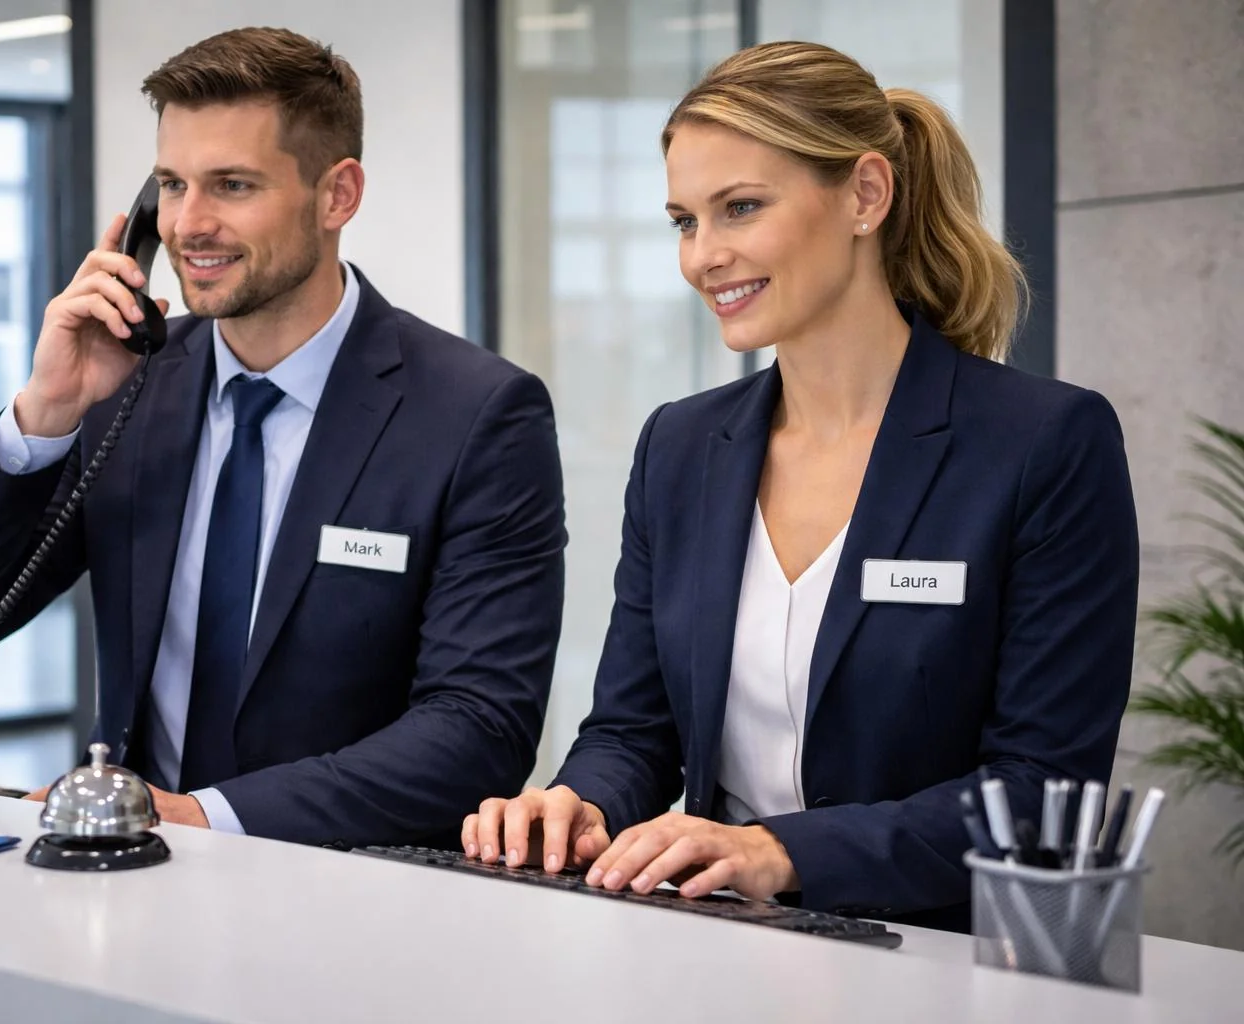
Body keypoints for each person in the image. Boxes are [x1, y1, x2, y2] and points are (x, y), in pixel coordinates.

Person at [464, 41, 1139, 931]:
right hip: (721, 943)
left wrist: (783, 851)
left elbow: (1041, 790)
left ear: (865, 195)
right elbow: (633, 731)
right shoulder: (680, 446)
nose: (704, 256)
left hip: (941, 959)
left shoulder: (1045, 443)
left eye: (740, 208)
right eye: (684, 222)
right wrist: (580, 803)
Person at [0, 27, 566, 847]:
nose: (189, 225)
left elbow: (479, 728)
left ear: (338, 195)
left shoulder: (477, 414)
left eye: (232, 185)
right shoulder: (126, 386)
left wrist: (201, 816)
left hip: (352, 886)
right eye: (172, 185)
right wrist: (45, 412)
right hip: (127, 878)